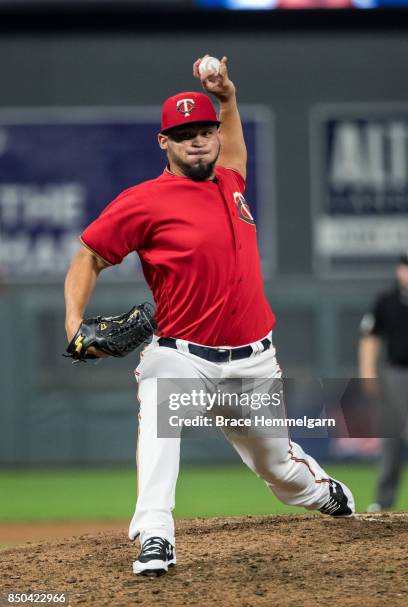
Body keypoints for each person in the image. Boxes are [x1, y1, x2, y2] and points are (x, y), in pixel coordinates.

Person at [64, 55, 355, 578]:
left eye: (204, 131)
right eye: (183, 134)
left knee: (280, 471)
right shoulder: (142, 202)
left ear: (216, 135)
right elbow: (88, 255)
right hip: (181, 357)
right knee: (159, 413)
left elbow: (235, 144)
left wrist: (227, 97)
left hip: (254, 362)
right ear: (164, 142)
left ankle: (321, 491)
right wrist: (73, 323)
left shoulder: (231, 182)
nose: (197, 140)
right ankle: (155, 533)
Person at [359, 254, 408, 512]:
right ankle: (384, 502)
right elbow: (370, 338)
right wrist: (367, 372)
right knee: (391, 439)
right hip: (396, 374)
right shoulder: (386, 300)